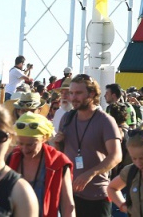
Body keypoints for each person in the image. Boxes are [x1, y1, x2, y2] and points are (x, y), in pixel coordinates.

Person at [52, 74, 122, 217]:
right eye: (71, 93)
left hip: (97, 196)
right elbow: (62, 155)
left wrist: (90, 173)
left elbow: (116, 156)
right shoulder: (67, 118)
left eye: (78, 93)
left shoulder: (105, 121)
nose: (73, 97)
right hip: (70, 195)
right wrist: (57, 144)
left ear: (91, 93)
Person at [7, 112, 75, 217]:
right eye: (20, 143)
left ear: (44, 138)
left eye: (30, 144)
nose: (25, 149)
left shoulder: (58, 162)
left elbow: (67, 205)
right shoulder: (10, 158)